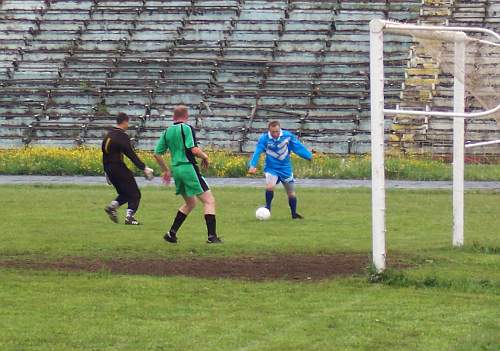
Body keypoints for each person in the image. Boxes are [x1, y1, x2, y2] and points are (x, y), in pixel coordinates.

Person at [153, 105, 222, 244]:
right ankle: (212, 236)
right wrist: (205, 157)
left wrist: (166, 170)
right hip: (188, 168)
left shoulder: (167, 131)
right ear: (186, 116)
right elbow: (194, 150)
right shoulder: (186, 128)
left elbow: (157, 153)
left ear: (174, 117)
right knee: (209, 201)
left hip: (177, 171)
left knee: (190, 203)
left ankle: (171, 234)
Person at [248, 120, 313, 219]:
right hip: (271, 168)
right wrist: (252, 165)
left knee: (291, 193)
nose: (275, 134)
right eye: (273, 132)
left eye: (277, 131)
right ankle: (268, 208)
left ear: (280, 129)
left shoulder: (287, 136)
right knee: (270, 187)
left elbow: (297, 147)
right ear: (269, 131)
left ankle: (294, 214)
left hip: (285, 169)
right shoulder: (264, 139)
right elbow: (257, 152)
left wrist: (308, 156)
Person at [102, 112, 151, 225]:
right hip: (118, 167)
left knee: (125, 194)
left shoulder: (108, 135)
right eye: (127, 122)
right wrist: (144, 168)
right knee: (135, 194)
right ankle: (129, 217)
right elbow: (131, 154)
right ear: (124, 121)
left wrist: (106, 171)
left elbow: (104, 154)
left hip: (109, 168)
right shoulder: (122, 136)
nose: (128, 125)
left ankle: (111, 207)